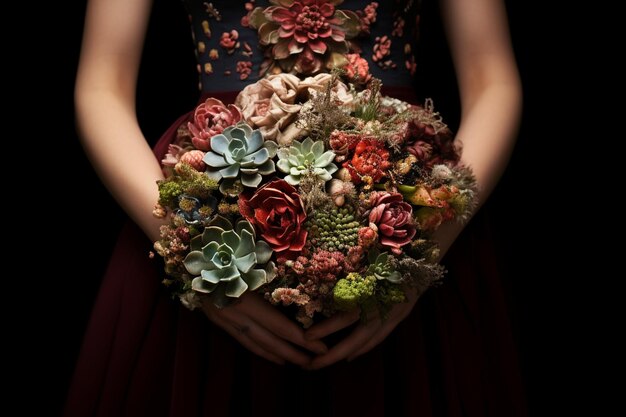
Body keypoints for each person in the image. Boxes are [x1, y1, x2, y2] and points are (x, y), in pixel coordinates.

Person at [66, 0, 525, 415]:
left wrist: (427, 250)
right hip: (210, 186)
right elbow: (101, 87)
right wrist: (192, 255)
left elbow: (494, 81)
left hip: (408, 191)